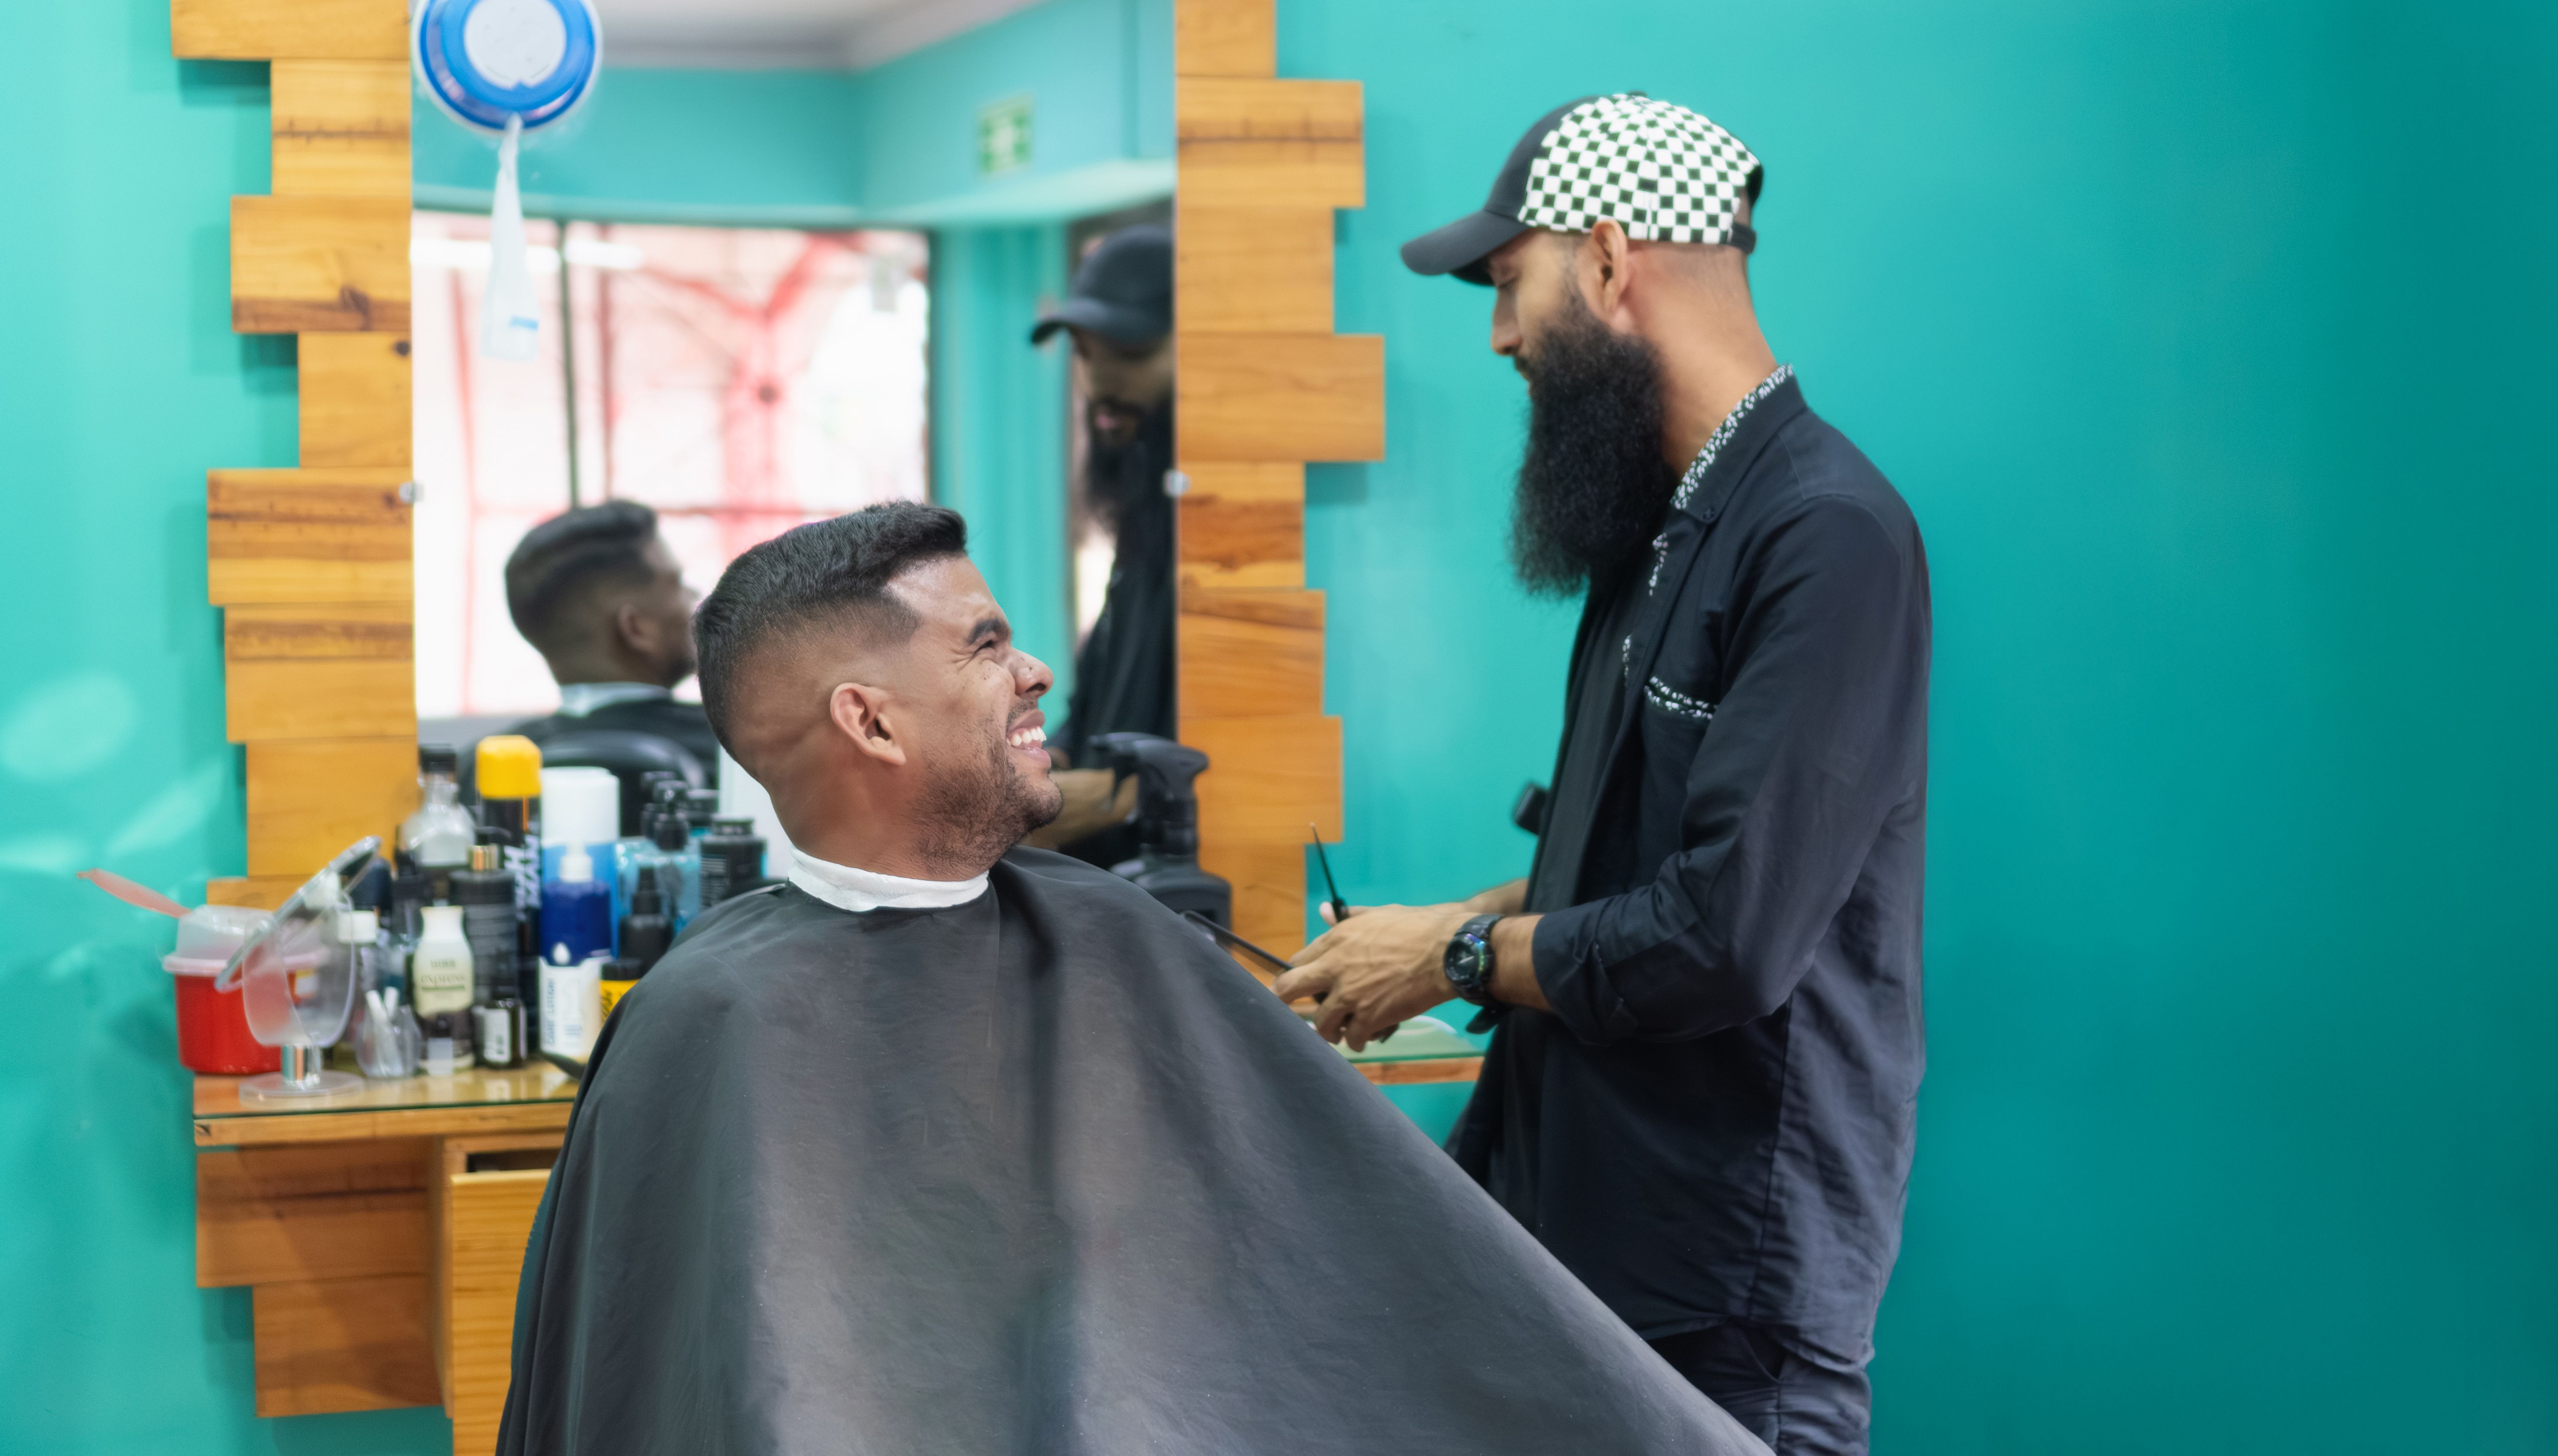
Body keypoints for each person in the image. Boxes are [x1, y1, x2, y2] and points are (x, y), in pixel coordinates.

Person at [497, 501, 1764, 1456]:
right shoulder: (715, 1016)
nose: (1036, 671)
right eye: (986, 645)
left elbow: (1364, 1292)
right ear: (870, 720)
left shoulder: (1111, 931)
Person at [1274, 95, 1931, 1455]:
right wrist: (1427, 936)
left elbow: (1725, 934)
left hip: (1722, 1299)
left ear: (1608, 257)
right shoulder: (1659, 532)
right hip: (1583, 1251)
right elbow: (1631, 867)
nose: (1499, 333)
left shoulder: (1826, 536)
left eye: (1508, 281)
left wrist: (1452, 955)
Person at [1027, 222, 1176, 855]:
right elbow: (1097, 709)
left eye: (1131, 355)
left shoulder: (1220, 542)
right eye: (1086, 355)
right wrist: (1048, 760)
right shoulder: (1145, 524)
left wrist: (1112, 798)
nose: (1100, 384)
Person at [502, 500, 718, 777]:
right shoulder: (734, 751)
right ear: (636, 628)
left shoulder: (482, 768)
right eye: (677, 584)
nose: (694, 596)